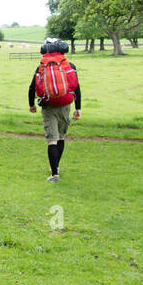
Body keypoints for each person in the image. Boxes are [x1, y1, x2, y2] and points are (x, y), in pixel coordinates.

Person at [28, 38, 81, 182]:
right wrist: (78, 108)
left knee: (52, 140)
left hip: (48, 106)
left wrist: (31, 104)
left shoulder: (42, 67)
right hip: (65, 105)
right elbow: (76, 87)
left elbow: (32, 87)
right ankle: (56, 166)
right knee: (61, 136)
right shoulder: (69, 65)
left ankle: (54, 174)